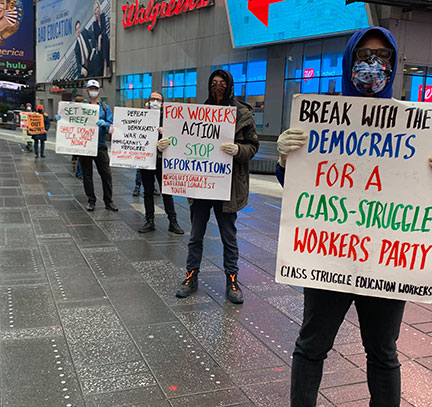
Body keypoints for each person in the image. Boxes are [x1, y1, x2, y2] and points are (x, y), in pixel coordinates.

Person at [276, 27, 406, 407]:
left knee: (383, 352)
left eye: (382, 57)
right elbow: (302, 190)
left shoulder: (412, 125)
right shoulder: (322, 120)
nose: (372, 65)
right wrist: (287, 160)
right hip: (330, 254)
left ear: (393, 64)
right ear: (349, 60)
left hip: (385, 259)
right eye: (364, 55)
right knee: (312, 345)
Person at [170, 70, 259, 304]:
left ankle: (232, 280)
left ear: (230, 85)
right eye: (213, 83)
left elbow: (252, 146)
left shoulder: (242, 113)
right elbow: (182, 142)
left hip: (228, 188)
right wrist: (167, 146)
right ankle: (191, 277)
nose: (217, 86)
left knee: (229, 237)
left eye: (222, 83)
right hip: (201, 186)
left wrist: (239, 150)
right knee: (195, 235)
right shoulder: (197, 113)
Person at [138, 91, 184, 235]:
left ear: (162, 103)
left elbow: (179, 137)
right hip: (146, 159)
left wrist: (167, 132)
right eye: (153, 99)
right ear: (148, 101)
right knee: (148, 191)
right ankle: (149, 220)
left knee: (167, 191)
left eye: (158, 99)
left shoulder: (169, 118)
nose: (155, 102)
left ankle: (173, 221)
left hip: (163, 160)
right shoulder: (140, 117)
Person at [79, 80, 117, 211]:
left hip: (100, 146)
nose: (93, 91)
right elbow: (72, 121)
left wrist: (105, 124)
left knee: (106, 175)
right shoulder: (80, 106)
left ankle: (108, 201)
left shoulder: (105, 108)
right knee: (87, 175)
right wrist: (62, 120)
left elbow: (111, 127)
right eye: (91, 88)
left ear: (99, 90)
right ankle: (91, 200)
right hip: (85, 145)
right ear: (87, 90)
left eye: (95, 88)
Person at [92, 0, 110, 77]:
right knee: (101, 57)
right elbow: (96, 35)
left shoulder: (103, 16)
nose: (96, 10)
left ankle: (107, 72)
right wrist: (98, 39)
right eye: (95, 9)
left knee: (105, 55)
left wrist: (100, 38)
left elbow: (104, 30)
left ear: (99, 8)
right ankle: (103, 73)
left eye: (97, 8)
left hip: (104, 41)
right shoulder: (94, 24)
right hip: (99, 46)